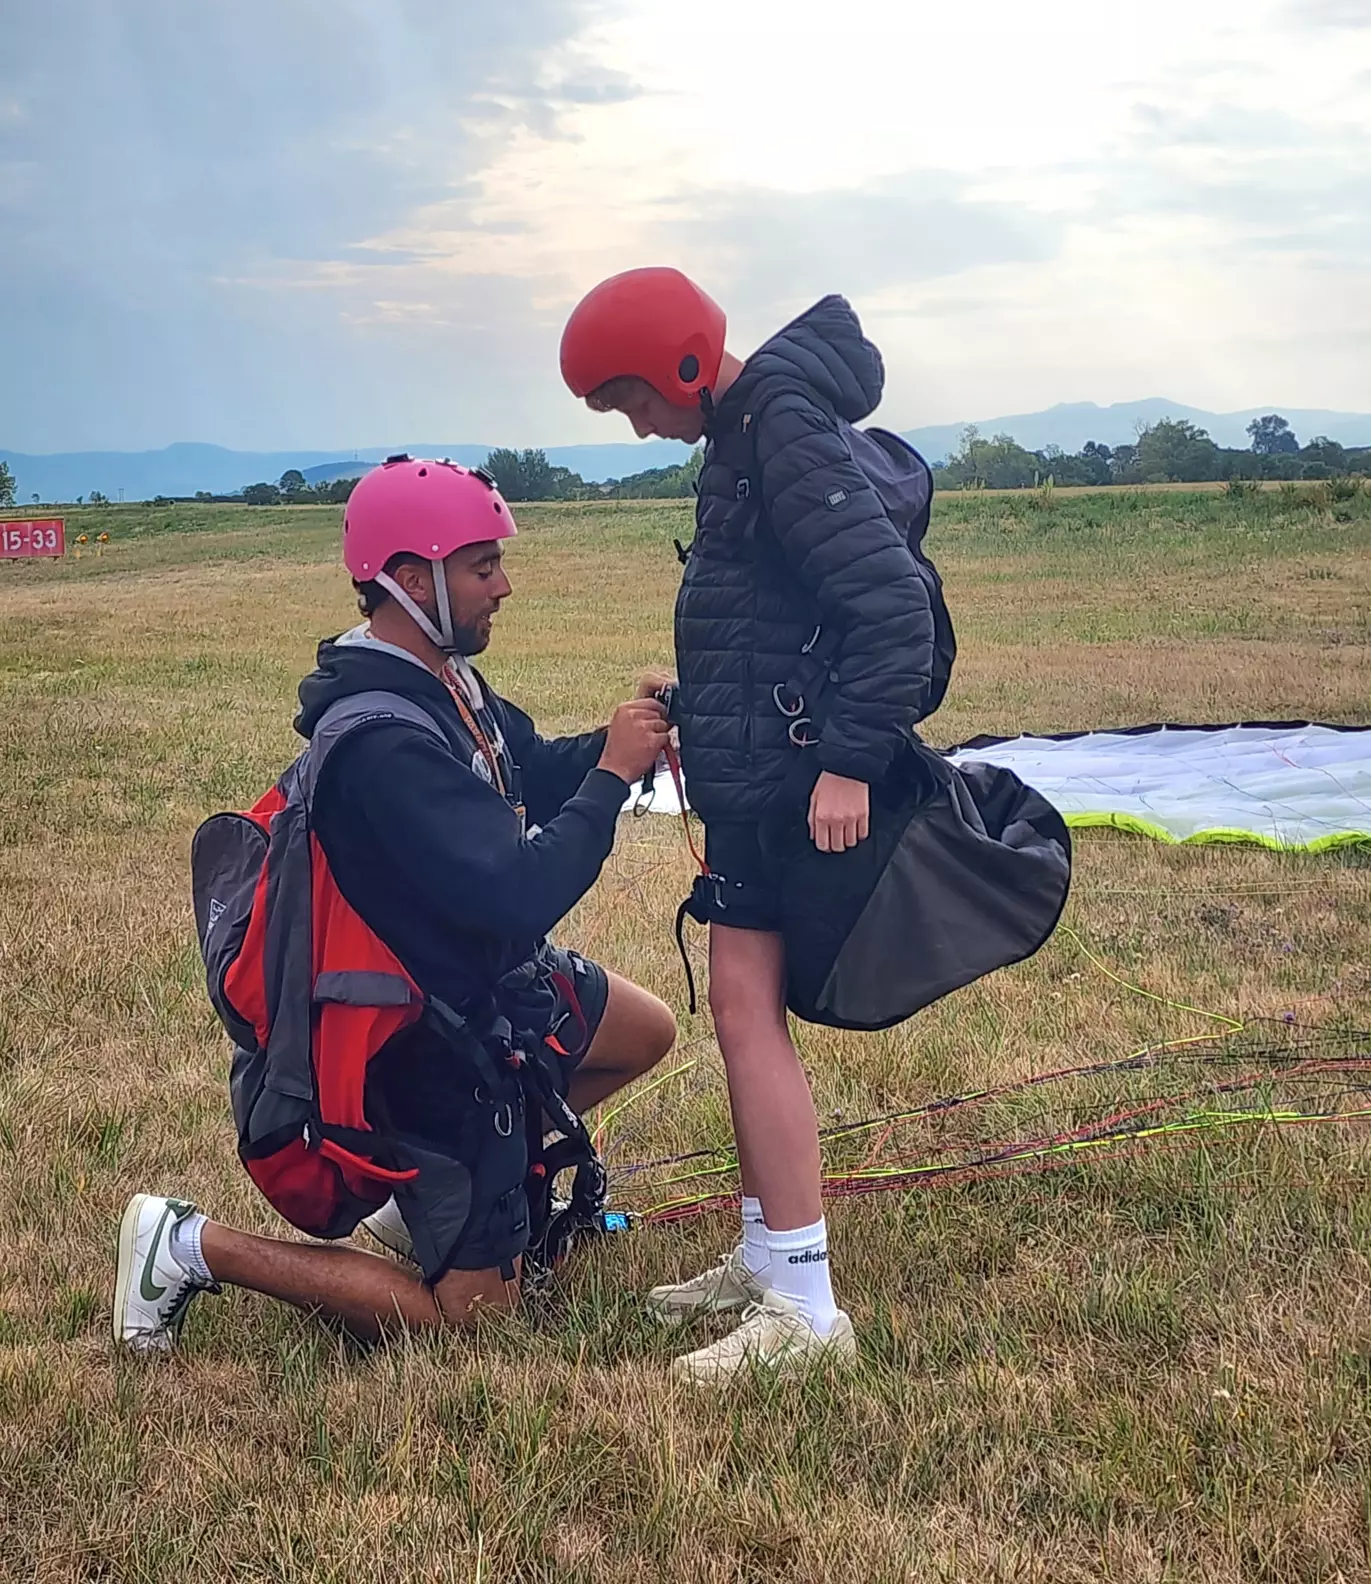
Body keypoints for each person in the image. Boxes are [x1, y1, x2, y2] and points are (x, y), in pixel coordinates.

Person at [115, 456, 677, 1352]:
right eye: (482, 566)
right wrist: (611, 779)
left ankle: (440, 1208)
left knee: (641, 1030)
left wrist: (628, 742)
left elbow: (526, 765)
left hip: (482, 986)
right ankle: (184, 1245)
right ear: (413, 580)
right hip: (419, 1039)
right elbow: (518, 896)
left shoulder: (443, 683)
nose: (504, 585)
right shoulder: (380, 744)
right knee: (472, 1323)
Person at [560, 272, 951, 1381]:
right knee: (739, 1010)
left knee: (745, 1014)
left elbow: (890, 610)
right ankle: (769, 1260)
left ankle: (807, 1310)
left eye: (633, 398)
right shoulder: (744, 431)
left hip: (792, 788)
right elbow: (773, 619)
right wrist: (693, 704)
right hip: (752, 783)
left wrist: (847, 765)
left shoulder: (777, 421)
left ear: (683, 362)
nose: (639, 424)